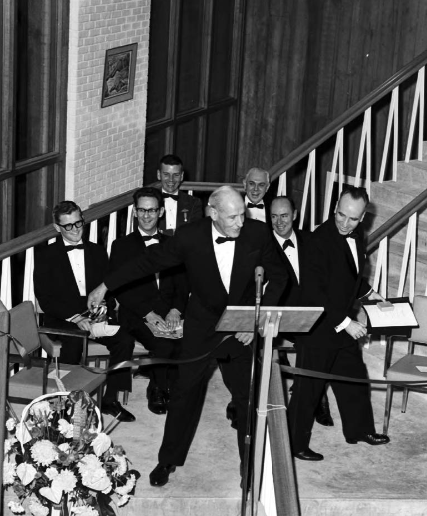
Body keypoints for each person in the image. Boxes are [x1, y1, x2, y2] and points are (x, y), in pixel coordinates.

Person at [88, 186, 288, 487]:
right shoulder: (190, 236)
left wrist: (254, 321)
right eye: (232, 217)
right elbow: (148, 262)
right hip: (203, 323)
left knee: (246, 396)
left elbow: (281, 276)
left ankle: (250, 467)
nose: (239, 223)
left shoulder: (257, 233)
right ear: (213, 212)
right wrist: (105, 286)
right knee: (184, 394)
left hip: (241, 326)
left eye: (242, 216)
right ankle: (167, 460)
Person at [287, 186, 389, 458]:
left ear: (363, 216)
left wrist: (370, 293)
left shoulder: (358, 235)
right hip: (320, 327)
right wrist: (347, 323)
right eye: (341, 215)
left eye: (352, 219)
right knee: (308, 389)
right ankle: (294, 445)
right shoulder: (317, 240)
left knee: (354, 378)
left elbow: (348, 276)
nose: (345, 223)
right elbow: (316, 293)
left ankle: (359, 430)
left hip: (341, 324)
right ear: (334, 209)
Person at [33, 200, 136, 422]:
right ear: (57, 227)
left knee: (125, 341)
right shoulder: (45, 255)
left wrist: (103, 307)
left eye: (78, 223)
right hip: (62, 317)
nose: (76, 229)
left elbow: (106, 289)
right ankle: (66, 407)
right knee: (73, 342)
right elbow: (45, 298)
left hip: (94, 316)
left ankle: (110, 400)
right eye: (68, 226)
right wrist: (76, 317)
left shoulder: (98, 251)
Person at [110, 188, 188, 415]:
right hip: (135, 313)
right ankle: (158, 390)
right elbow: (120, 288)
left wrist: (176, 309)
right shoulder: (121, 246)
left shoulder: (173, 243)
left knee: (188, 341)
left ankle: (176, 388)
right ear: (135, 212)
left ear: (160, 211)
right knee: (163, 344)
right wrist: (148, 314)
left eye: (152, 210)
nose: (146, 215)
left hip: (169, 311)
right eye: (142, 210)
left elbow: (183, 283)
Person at [269, 197, 334, 428]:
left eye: (284, 215)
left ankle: (312, 392)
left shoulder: (311, 240)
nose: (279, 222)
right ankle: (313, 396)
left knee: (328, 337)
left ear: (294, 215)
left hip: (311, 310)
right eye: (274, 216)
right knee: (313, 340)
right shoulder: (263, 244)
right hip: (280, 314)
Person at [156, 154, 203, 235]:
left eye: (176, 175)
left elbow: (195, 233)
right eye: (166, 174)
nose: (171, 180)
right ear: (159, 175)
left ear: (181, 176)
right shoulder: (150, 201)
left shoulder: (194, 203)